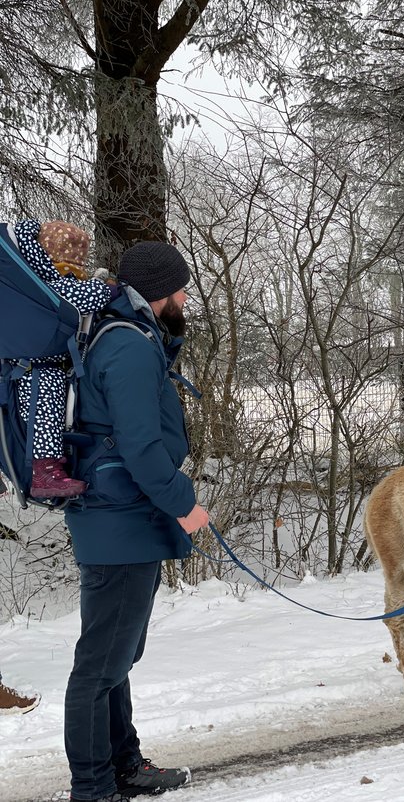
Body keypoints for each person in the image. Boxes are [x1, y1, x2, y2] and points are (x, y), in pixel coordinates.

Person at [63, 241, 210, 802]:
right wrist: (184, 504)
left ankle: (123, 766)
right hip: (120, 520)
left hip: (124, 518)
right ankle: (93, 787)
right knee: (98, 667)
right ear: (160, 292)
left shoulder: (133, 335)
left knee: (116, 658)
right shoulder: (127, 346)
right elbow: (142, 446)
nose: (185, 298)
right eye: (181, 289)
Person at [12, 219, 112, 499]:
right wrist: (112, 288)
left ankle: (50, 468)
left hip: (32, 369)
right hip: (40, 372)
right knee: (45, 418)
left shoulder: (34, 281)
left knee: (46, 419)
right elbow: (94, 294)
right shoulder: (55, 287)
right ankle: (45, 474)